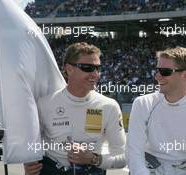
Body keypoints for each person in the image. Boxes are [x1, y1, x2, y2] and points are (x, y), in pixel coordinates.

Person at [24, 42, 126, 175]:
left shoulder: (109, 106)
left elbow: (123, 157)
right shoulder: (44, 104)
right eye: (88, 68)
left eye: (98, 68)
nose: (95, 74)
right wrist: (29, 164)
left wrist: (93, 159)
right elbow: (31, 146)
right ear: (69, 69)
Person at [127, 47, 186, 175]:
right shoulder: (142, 104)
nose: (157, 76)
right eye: (157, 70)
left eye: (165, 71)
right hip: (149, 169)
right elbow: (134, 150)